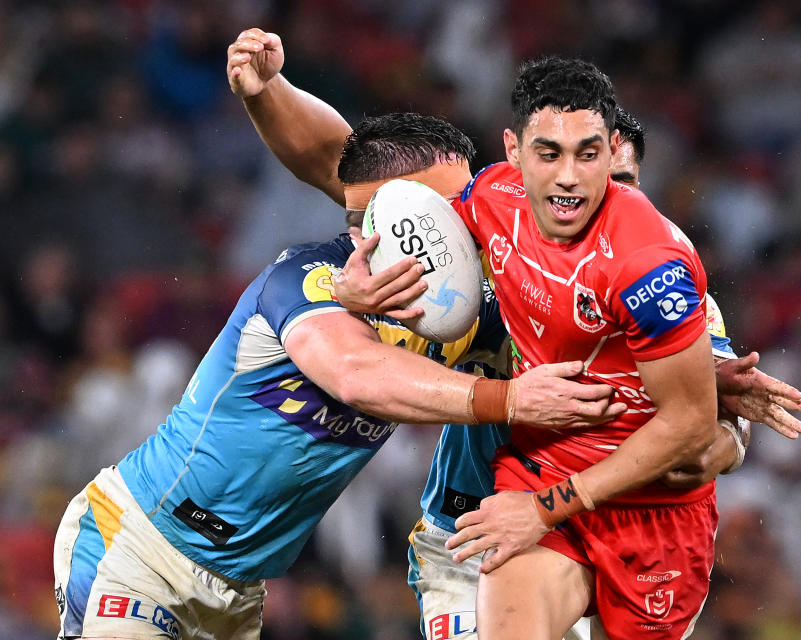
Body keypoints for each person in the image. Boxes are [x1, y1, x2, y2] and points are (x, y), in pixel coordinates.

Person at [226, 29, 801, 640]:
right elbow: (349, 167)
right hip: (485, 520)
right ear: (516, 152)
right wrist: (268, 91)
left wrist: (693, 427)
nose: (575, 185)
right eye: (552, 156)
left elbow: (714, 443)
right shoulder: (491, 215)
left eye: (611, 173)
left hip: (639, 529)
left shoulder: (663, 281)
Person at [51, 143, 629, 640]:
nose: (470, 226)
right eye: (453, 208)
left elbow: (586, 344)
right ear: (402, 211)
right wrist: (508, 399)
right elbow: (357, 374)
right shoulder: (307, 280)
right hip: (137, 545)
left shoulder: (458, 315)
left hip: (238, 590)